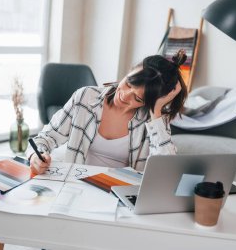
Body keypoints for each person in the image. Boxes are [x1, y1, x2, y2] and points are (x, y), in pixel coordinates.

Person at [30, 49, 188, 175]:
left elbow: (164, 172)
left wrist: (156, 110)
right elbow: (46, 137)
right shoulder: (85, 97)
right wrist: (37, 156)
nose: (124, 96)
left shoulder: (155, 120)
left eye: (138, 98)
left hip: (120, 195)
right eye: (129, 83)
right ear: (129, 72)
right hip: (77, 184)